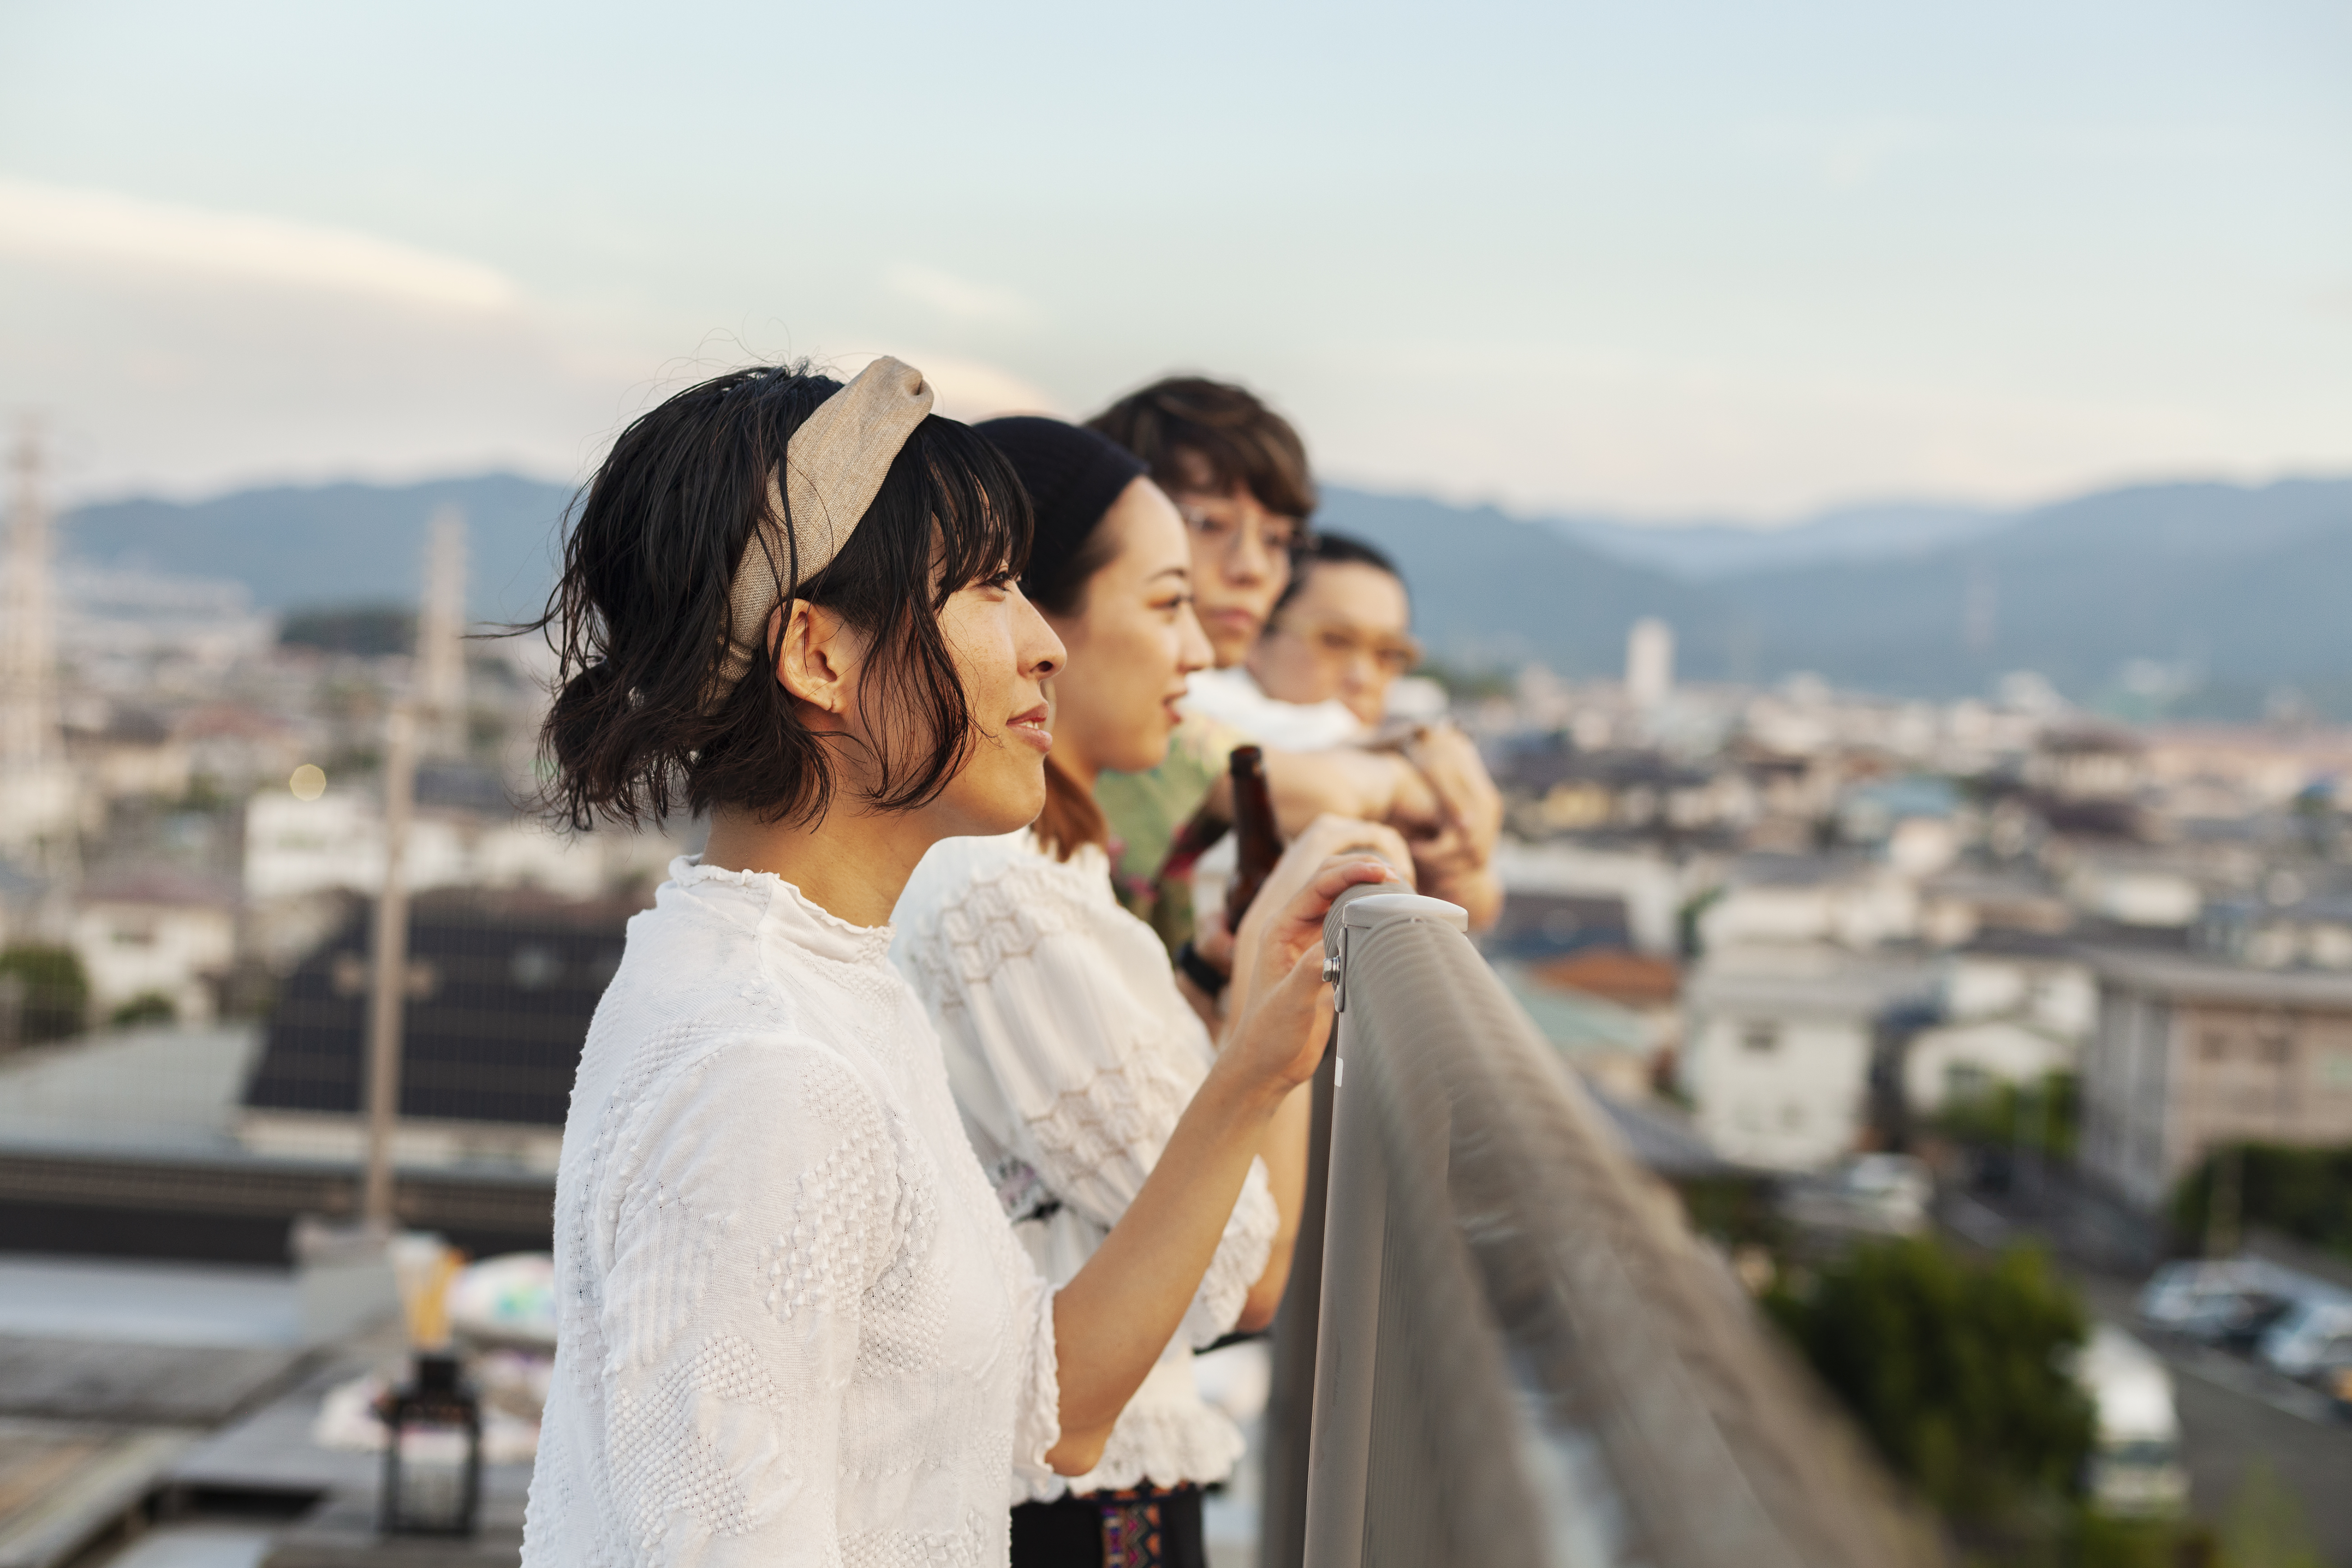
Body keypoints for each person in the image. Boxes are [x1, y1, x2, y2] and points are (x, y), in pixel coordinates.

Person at [519, 359, 1398, 1568]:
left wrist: (1250, 1064)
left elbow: (1043, 1410)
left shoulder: (811, 978)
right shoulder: (767, 1065)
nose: (1042, 644)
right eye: (986, 589)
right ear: (814, 655)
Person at [890, 418, 1413, 1568]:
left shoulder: (1045, 876)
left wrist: (1220, 984)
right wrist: (1264, 1002)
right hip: (1066, 1508)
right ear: (1035, 619)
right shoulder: (999, 893)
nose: (1199, 656)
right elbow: (1249, 1272)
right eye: (1165, 603)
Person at [1088, 377, 1504, 949]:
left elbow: (1475, 895)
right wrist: (1415, 766)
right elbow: (1300, 780)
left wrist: (1424, 747)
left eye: (1279, 539)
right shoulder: (1111, 698)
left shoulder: (1180, 702)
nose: (1252, 568)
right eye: (1209, 522)